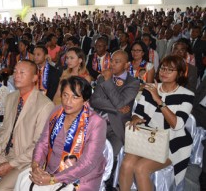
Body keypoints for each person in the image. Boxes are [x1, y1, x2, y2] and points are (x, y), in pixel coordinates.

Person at [0, 60, 54, 190]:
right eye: (15, 71)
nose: (16, 75)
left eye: (22, 72)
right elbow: (5, 130)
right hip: (3, 153)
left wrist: (11, 164)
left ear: (34, 78)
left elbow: (39, 145)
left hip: (25, 161)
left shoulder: (45, 105)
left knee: (0, 189)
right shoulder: (11, 97)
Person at [16, 76, 106, 190]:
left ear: (85, 100)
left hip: (82, 179)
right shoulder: (56, 112)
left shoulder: (97, 123)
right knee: (23, 180)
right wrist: (36, 165)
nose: (68, 102)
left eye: (75, 97)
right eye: (65, 95)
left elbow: (87, 163)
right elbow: (43, 143)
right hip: (51, 170)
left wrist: (54, 179)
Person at [119, 55, 194, 191]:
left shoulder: (187, 95)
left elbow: (176, 125)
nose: (164, 72)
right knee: (126, 164)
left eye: (170, 70)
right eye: (163, 68)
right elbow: (139, 112)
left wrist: (158, 100)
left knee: (141, 168)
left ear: (180, 73)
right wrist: (135, 118)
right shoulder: (151, 88)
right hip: (148, 137)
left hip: (173, 141)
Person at [89, 50, 140, 189]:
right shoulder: (104, 76)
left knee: (109, 156)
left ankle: (107, 183)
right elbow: (95, 100)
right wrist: (117, 108)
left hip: (116, 128)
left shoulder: (133, 83)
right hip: (97, 123)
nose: (112, 64)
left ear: (127, 64)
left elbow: (121, 103)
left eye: (117, 61)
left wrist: (108, 82)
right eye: (112, 60)